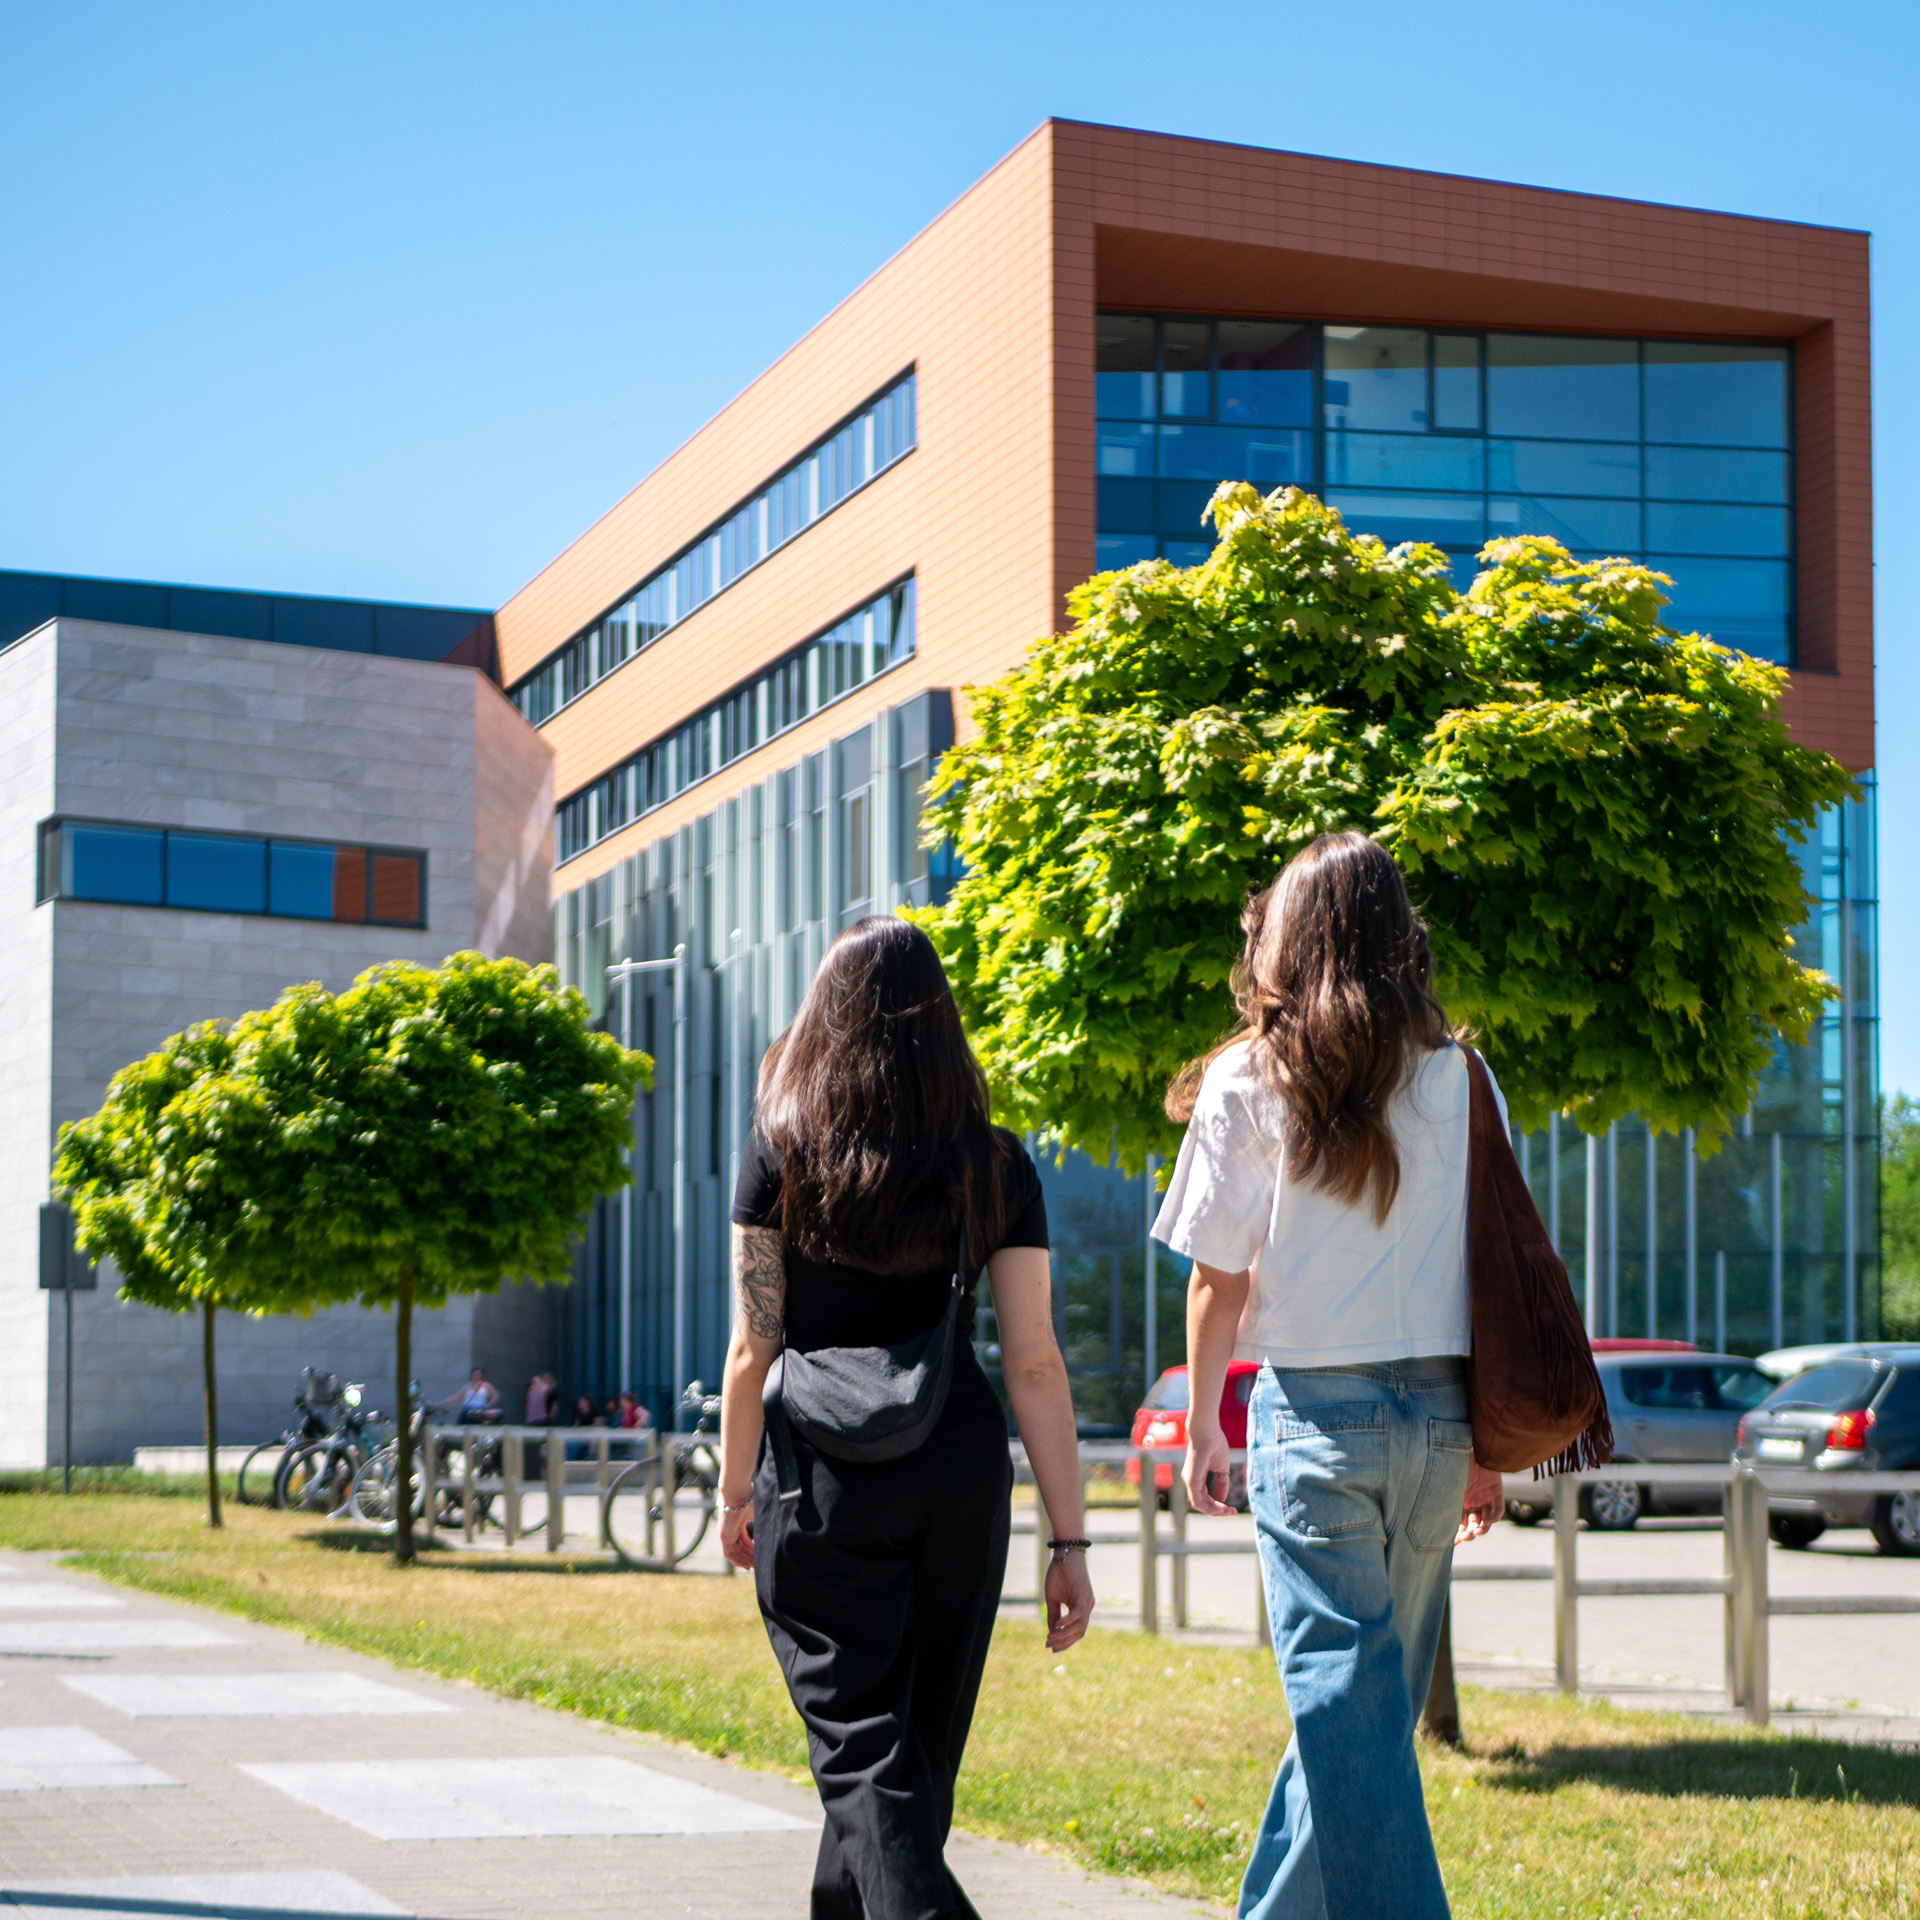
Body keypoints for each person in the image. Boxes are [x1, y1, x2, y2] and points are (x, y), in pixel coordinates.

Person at [1155, 833, 1505, 1920]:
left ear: (1289, 938)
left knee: (1352, 1723)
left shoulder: (1249, 1077)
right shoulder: (1463, 1075)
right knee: (1362, 1721)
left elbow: (1216, 1281)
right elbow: (1487, 1265)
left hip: (1314, 1418)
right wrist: (1486, 1444)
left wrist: (1206, 1424)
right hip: (1440, 1422)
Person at [718, 916, 1093, 1920]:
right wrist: (1068, 1541)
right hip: (957, 1468)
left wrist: (732, 1493)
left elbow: (754, 1347)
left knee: (862, 1751)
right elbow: (1034, 1362)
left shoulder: (780, 1152)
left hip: (820, 1479)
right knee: (910, 1762)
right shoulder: (996, 1165)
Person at [436, 1367, 501, 1426]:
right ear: (471, 1375)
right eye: (475, 1375)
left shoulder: (486, 1386)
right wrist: (442, 1404)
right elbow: (456, 1397)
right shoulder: (466, 1387)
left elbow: (496, 1396)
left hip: (480, 1412)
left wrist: (488, 1405)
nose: (477, 1376)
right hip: (468, 1411)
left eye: (479, 1374)